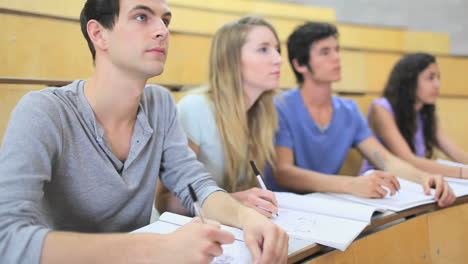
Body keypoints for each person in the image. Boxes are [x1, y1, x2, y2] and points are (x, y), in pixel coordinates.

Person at [0, 0, 288, 263]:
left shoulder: (160, 103)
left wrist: (245, 217)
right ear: (99, 34)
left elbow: (195, 183)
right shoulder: (43, 111)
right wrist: (157, 248)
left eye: (166, 20)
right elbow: (7, 239)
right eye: (142, 17)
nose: (162, 30)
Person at [267, 21, 456, 207]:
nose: (336, 57)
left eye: (337, 50)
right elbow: (284, 173)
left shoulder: (349, 110)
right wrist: (350, 184)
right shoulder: (281, 106)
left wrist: (424, 177)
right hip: (285, 207)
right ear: (300, 64)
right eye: (325, 52)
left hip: (328, 204)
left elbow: (385, 160)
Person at [155, 15, 282, 218]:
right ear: (231, 60)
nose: (278, 59)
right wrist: (234, 201)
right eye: (263, 49)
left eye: (277, 49)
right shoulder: (195, 108)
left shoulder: (263, 113)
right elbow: (164, 201)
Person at [360, 52, 468, 178]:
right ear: (409, 81)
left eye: (438, 77)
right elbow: (407, 159)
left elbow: (454, 152)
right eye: (430, 78)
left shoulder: (426, 113)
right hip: (379, 180)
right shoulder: (381, 108)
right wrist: (462, 172)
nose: (437, 85)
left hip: (414, 180)